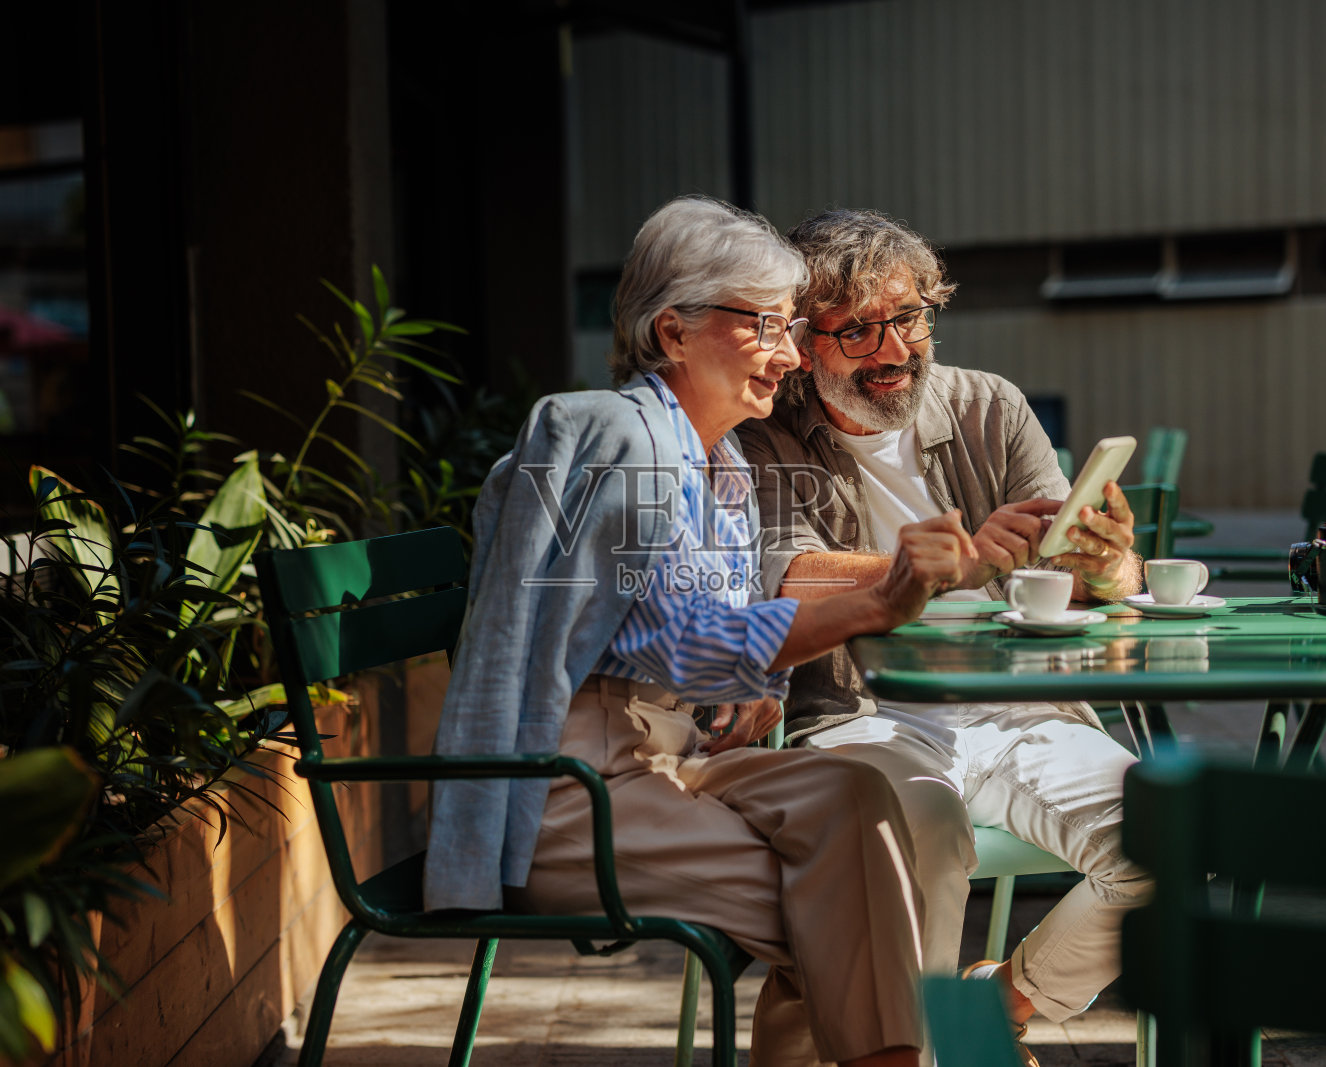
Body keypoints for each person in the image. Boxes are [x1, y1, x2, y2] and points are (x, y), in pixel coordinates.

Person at [424, 197, 986, 1067]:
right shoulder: (627, 442)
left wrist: (752, 685)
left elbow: (703, 639)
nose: (794, 354)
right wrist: (883, 596)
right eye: (766, 324)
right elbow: (687, 643)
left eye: (791, 326)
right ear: (673, 331)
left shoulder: (711, 456)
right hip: (567, 791)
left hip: (663, 755)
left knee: (857, 801)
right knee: (857, 899)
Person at [737, 208, 1153, 1065]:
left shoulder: (988, 406)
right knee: (917, 831)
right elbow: (785, 577)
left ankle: (998, 1003)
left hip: (1022, 710)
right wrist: (943, 561)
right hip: (861, 716)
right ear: (805, 343)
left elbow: (1079, 571)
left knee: (1175, 838)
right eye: (857, 330)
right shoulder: (761, 434)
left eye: (909, 316)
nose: (893, 350)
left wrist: (1113, 569)